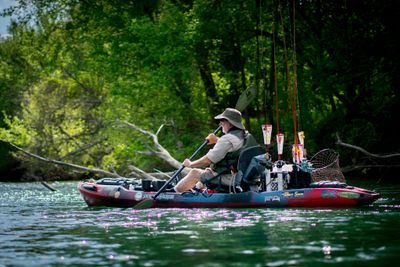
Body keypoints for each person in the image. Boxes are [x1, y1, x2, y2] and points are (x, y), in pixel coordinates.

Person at [174, 108, 249, 193]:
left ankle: (174, 194)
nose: (220, 124)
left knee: (194, 173)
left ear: (230, 124)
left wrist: (190, 164)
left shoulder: (227, 139)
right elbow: (232, 146)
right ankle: (196, 190)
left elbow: (208, 160)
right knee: (208, 171)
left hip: (230, 179)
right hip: (241, 177)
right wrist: (217, 140)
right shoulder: (245, 136)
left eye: (222, 121)